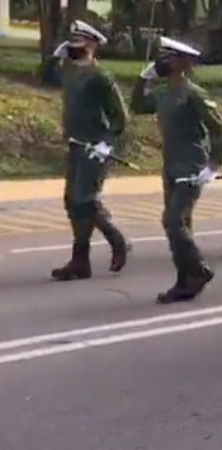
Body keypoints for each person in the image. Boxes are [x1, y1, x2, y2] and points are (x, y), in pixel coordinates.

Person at [129, 36, 222, 304]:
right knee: (180, 225)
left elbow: (218, 129)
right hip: (171, 164)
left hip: (191, 166)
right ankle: (184, 280)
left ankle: (198, 270)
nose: (163, 61)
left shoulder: (193, 93)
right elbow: (137, 107)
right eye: (163, 56)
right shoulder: (164, 93)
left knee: (172, 220)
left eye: (170, 57)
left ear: (184, 63)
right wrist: (144, 77)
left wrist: (213, 165)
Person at [44, 20, 130, 281]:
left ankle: (118, 241)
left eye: (80, 43)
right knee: (72, 202)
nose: (74, 48)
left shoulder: (100, 77)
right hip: (75, 144)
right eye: (72, 43)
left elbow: (120, 117)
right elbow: (48, 77)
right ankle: (80, 261)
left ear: (92, 45)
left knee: (86, 199)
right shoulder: (71, 73)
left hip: (94, 147)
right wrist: (54, 58)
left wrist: (105, 143)